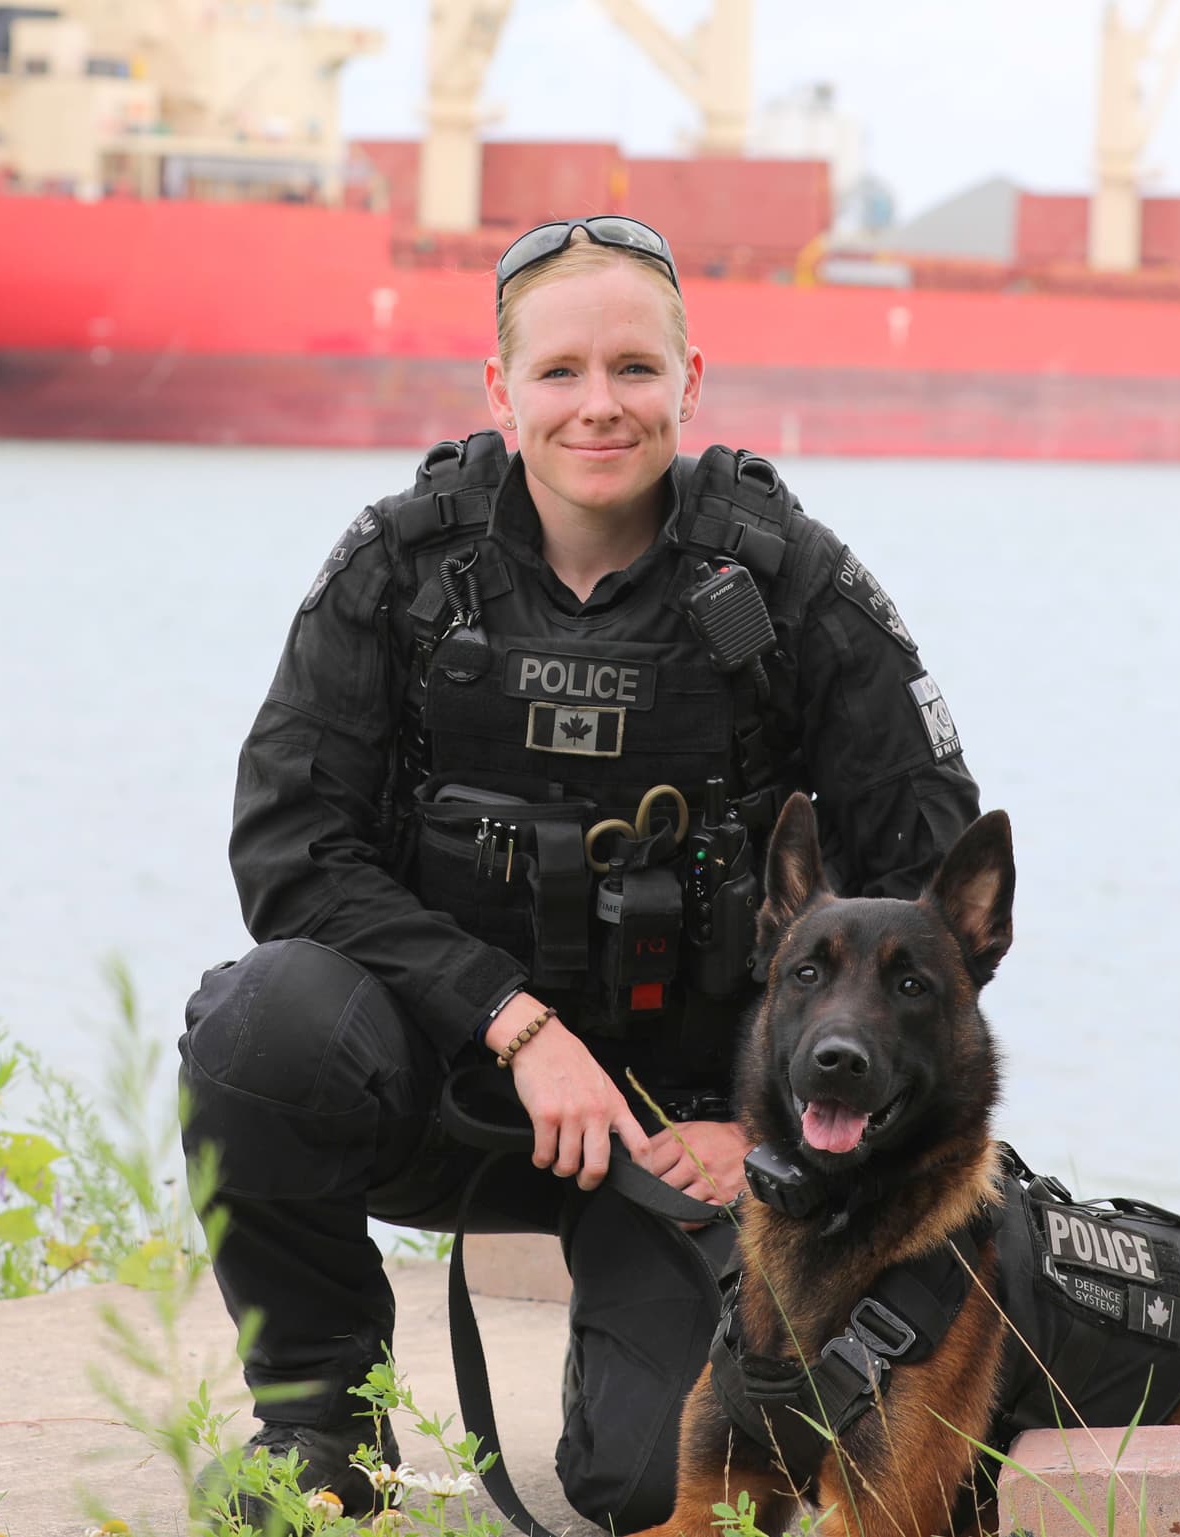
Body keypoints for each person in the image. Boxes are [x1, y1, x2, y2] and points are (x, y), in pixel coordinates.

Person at [179, 215, 981, 1527]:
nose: (597, 406)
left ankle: (667, 1322)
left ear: (691, 382)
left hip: (686, 1138)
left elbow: (934, 890)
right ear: (500, 391)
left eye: (633, 370)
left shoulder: (793, 589)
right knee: (260, 1023)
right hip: (447, 1088)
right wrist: (511, 1014)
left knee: (647, 1486)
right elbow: (290, 849)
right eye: (558, 373)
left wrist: (774, 1126)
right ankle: (320, 1425)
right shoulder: (401, 570)